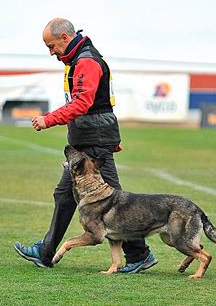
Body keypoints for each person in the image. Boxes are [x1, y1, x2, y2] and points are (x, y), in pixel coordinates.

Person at [14, 17, 158, 273]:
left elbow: (82, 103)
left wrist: (48, 119)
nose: (51, 53)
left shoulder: (87, 61)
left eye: (52, 46)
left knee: (115, 199)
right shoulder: (77, 59)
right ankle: (46, 252)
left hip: (96, 140)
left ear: (65, 38)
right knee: (66, 196)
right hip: (89, 138)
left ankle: (139, 254)